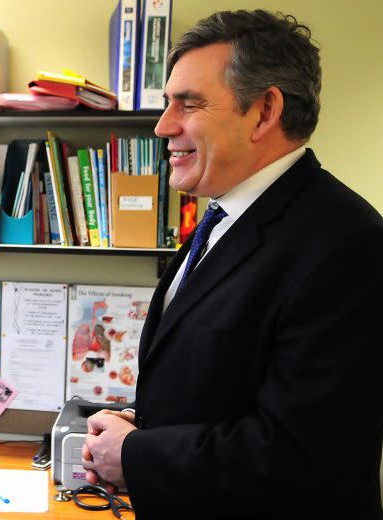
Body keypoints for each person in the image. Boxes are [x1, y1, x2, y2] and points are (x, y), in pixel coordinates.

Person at [83, 9, 383, 519]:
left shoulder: (345, 243)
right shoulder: (221, 221)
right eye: (165, 104)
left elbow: (305, 455)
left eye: (188, 104)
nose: (163, 126)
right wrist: (145, 424)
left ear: (264, 111)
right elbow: (229, 383)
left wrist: (136, 454)